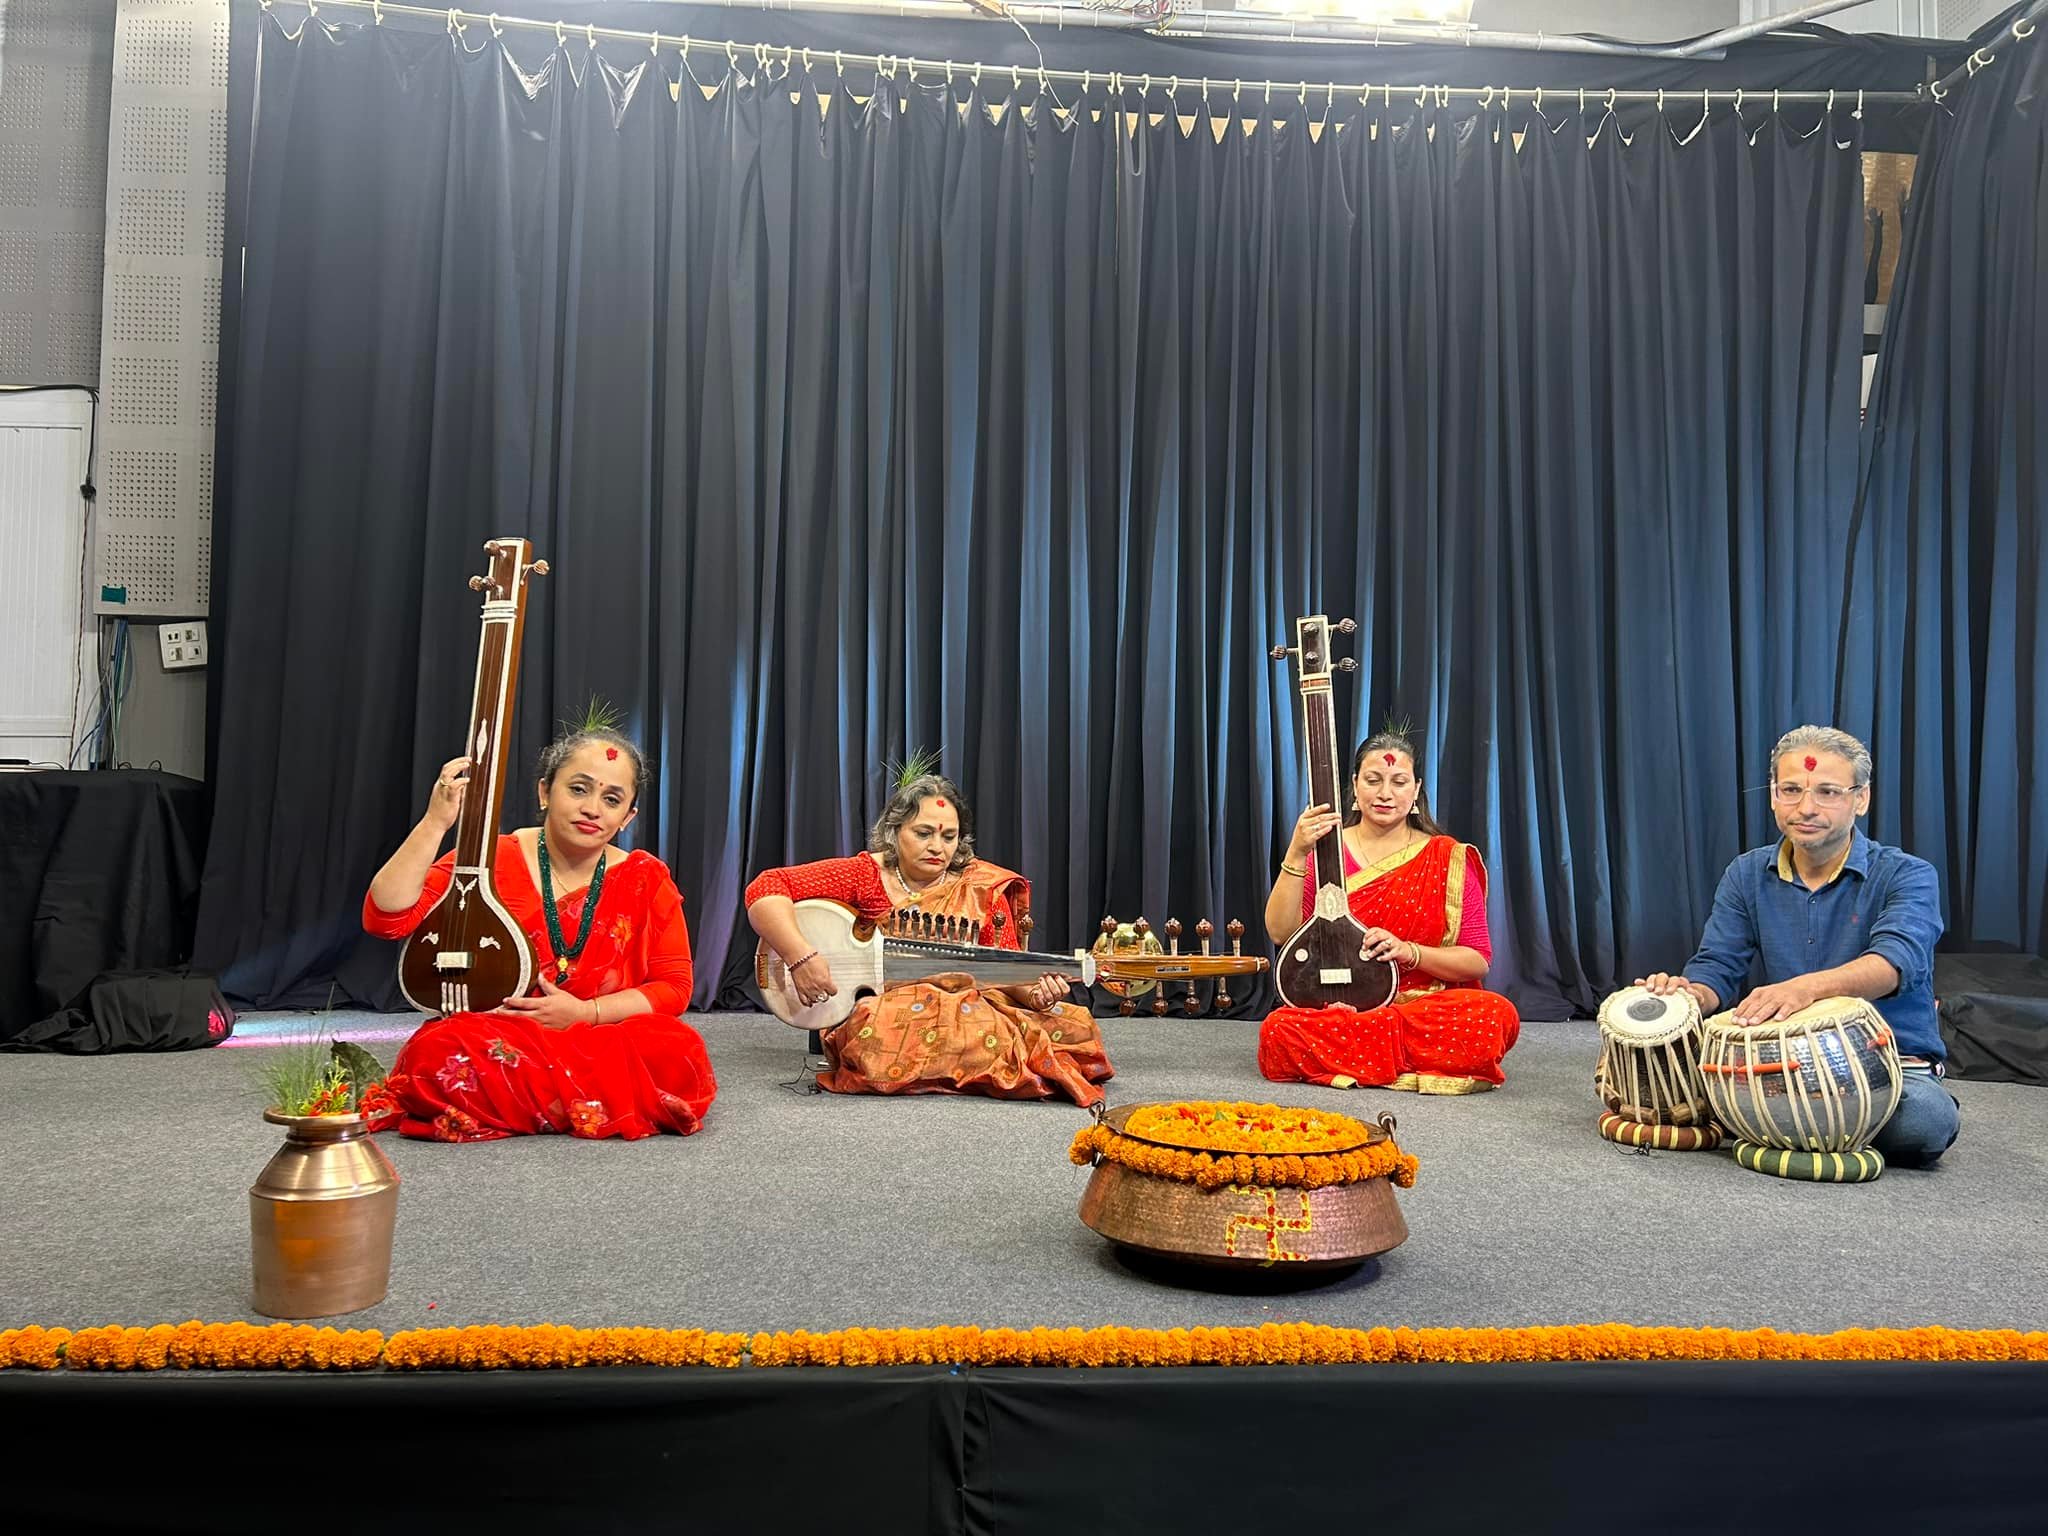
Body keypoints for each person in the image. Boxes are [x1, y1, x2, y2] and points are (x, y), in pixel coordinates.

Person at [360, 729, 716, 1141]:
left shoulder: (645, 877)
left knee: (677, 1048)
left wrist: (584, 1013)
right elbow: (387, 918)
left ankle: (524, 1101)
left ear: (627, 817)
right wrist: (435, 823)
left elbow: (674, 987)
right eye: (578, 789)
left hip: (599, 1033)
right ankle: (591, 1102)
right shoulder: (488, 859)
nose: (592, 809)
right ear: (545, 791)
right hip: (502, 1029)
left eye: (612, 799)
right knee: (437, 1051)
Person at [1638, 724, 1957, 1168]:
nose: (1806, 808)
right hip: (1780, 1060)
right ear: (1773, 795)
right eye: (1791, 790)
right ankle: (1805, 1120)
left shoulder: (1908, 874)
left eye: (1828, 792)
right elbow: (1717, 968)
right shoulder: (1746, 873)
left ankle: (1769, 1120)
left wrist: (1804, 989)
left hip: (1886, 1063)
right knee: (1657, 1088)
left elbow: (1892, 965)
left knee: (1923, 1120)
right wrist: (1685, 996)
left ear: (1861, 798)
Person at [744, 771, 1112, 1105]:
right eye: (923, 833)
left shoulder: (980, 888)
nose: (937, 846)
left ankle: (941, 1064)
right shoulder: (865, 875)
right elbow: (765, 888)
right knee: (881, 1027)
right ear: (894, 832)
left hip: (965, 1001)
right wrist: (801, 957)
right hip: (885, 1006)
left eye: (949, 836)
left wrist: (1036, 995)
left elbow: (1003, 970)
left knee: (1071, 1027)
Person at [1257, 730, 1521, 1094]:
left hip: (1421, 1005)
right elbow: (1280, 933)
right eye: (1373, 780)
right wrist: (1297, 852)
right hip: (1339, 1006)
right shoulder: (1326, 852)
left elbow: (1477, 961)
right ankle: (1395, 1056)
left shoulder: (1447, 856)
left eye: (1398, 782)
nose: (1385, 793)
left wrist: (1409, 951)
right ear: (1354, 785)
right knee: (1279, 1030)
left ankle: (1357, 1056)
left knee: (1495, 1015)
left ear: (1416, 790)